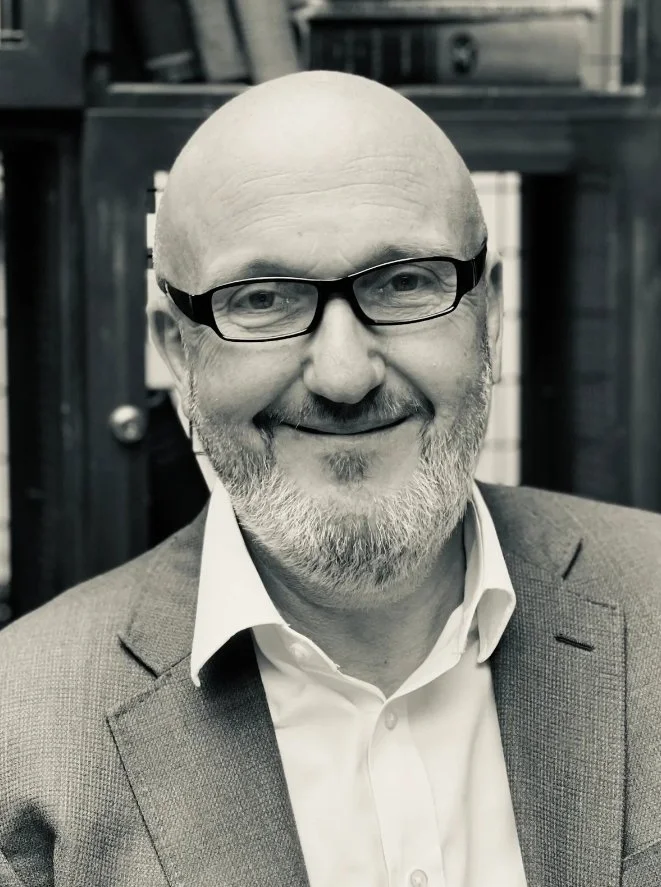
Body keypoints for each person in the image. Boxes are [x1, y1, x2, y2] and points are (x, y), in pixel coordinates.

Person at [1, 71, 660, 887]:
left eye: (404, 283)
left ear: (488, 312)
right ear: (177, 350)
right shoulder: (19, 736)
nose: (343, 376)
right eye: (264, 299)